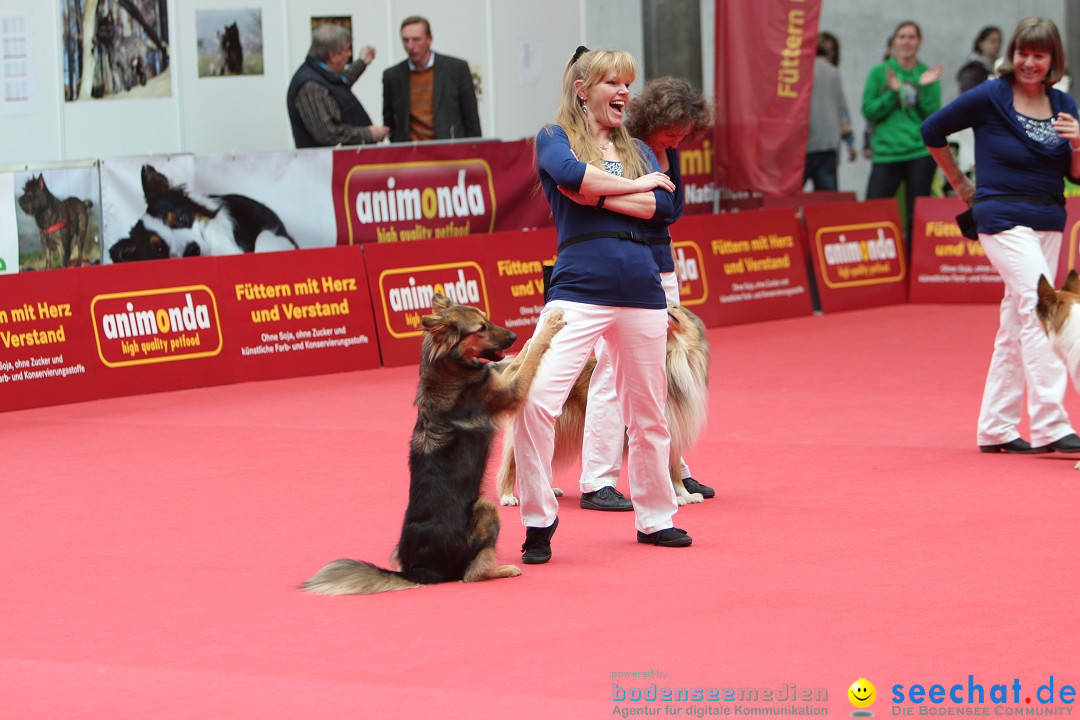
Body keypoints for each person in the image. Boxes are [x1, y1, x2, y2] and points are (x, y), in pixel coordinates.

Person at [514, 47, 691, 564]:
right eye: (612, 82)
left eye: (627, 83)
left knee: (649, 410)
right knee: (535, 399)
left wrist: (599, 193)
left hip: (641, 289)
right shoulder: (554, 137)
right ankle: (537, 518)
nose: (623, 92)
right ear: (582, 89)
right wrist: (632, 186)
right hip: (576, 290)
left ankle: (656, 516)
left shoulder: (637, 145)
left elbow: (666, 207)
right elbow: (569, 175)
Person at [921, 17, 1080, 455]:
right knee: (1040, 309)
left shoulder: (1064, 103)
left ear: (1052, 60)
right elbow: (932, 130)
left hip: (1049, 217)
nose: (1030, 62)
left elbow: (1076, 176)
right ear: (1013, 54)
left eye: (1039, 55)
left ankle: (996, 428)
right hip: (1000, 216)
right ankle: (1051, 424)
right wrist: (960, 185)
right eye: (1023, 53)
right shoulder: (992, 95)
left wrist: (1079, 143)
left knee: (1016, 321)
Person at [575, 76, 714, 512]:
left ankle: (673, 468)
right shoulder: (621, 145)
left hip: (661, 267)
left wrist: (651, 204)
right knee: (610, 375)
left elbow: (672, 210)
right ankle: (597, 479)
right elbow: (645, 206)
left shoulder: (666, 149)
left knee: (665, 378)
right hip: (621, 266)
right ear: (655, 119)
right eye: (674, 131)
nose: (680, 139)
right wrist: (648, 203)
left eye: (685, 133)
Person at [861, 21, 943, 251]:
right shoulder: (879, 73)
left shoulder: (926, 74)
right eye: (902, 36)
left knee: (915, 216)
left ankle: (914, 268)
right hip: (887, 153)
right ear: (894, 41)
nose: (906, 41)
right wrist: (893, 93)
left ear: (919, 42)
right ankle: (875, 266)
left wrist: (920, 86)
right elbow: (869, 110)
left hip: (919, 152)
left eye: (911, 37)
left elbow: (933, 115)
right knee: (873, 212)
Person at [286, 24, 389, 148]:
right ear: (334, 55)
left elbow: (340, 82)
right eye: (347, 50)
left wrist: (362, 62)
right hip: (325, 165)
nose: (350, 54)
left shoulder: (319, 73)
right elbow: (327, 134)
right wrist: (369, 134)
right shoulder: (310, 86)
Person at [382, 16, 481, 142]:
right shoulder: (392, 76)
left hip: (450, 151)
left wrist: (474, 151)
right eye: (405, 40)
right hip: (411, 155)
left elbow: (471, 119)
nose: (410, 46)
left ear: (429, 39)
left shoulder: (456, 69)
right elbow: (389, 122)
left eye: (417, 40)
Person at [805, 33, 857, 191]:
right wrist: (850, 141)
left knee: (786, 200)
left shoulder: (797, 69)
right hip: (828, 144)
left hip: (802, 144)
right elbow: (842, 109)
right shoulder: (832, 72)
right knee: (827, 202)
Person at [957, 26, 1002, 94]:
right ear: (980, 43)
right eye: (992, 41)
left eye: (999, 41)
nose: (997, 45)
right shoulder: (972, 70)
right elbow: (969, 97)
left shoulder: (1000, 66)